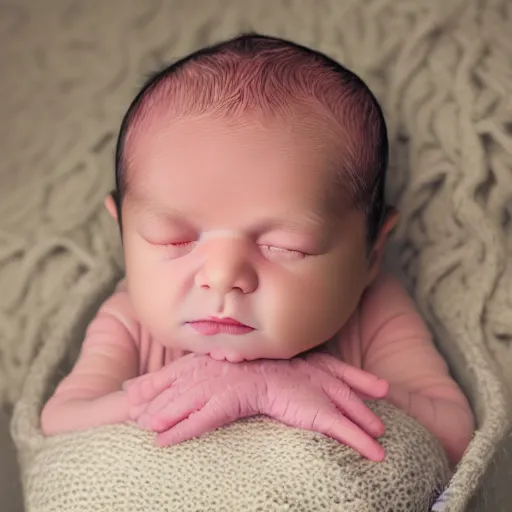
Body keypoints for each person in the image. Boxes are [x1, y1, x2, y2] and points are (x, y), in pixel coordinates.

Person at [40, 33, 474, 467]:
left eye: (286, 246)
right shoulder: (128, 320)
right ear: (124, 237)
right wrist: (169, 395)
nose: (223, 275)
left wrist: (282, 384)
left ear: (371, 254)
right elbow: (61, 422)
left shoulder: (376, 310)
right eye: (172, 238)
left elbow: (453, 433)